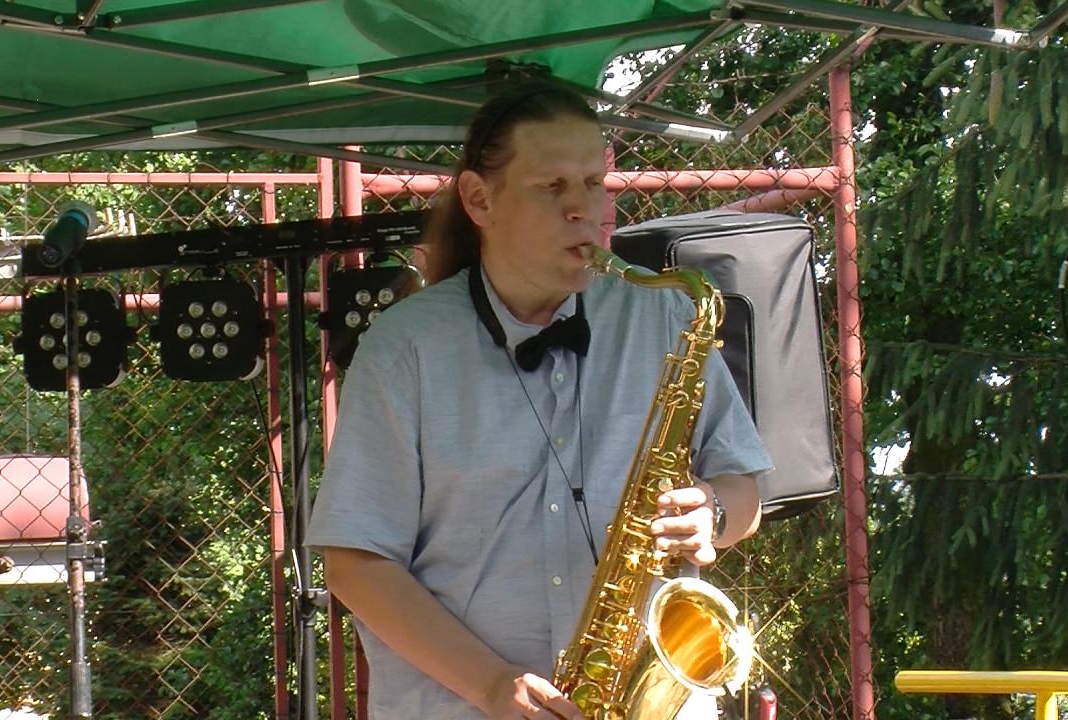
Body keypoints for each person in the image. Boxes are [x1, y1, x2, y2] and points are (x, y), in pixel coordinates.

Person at [306, 82, 772, 720]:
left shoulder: (665, 315)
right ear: (479, 199)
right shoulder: (404, 348)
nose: (585, 210)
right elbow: (356, 563)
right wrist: (492, 686)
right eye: (552, 187)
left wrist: (713, 513)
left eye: (593, 183)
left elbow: (744, 489)